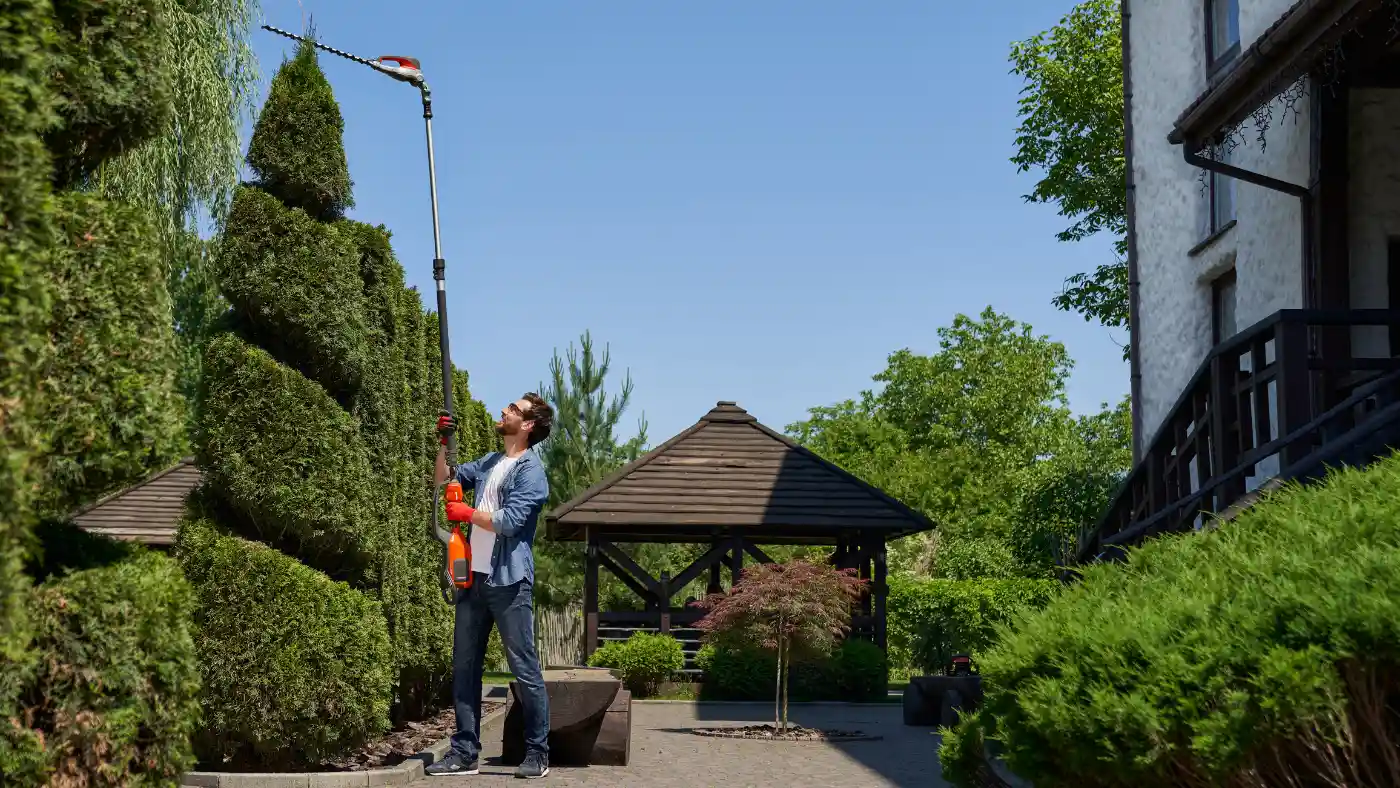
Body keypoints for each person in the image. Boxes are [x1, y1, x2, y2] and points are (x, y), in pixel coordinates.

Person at [426, 393, 554, 779]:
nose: (504, 410)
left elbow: (511, 522)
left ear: (528, 425)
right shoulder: (490, 462)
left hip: (509, 582)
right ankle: (464, 753)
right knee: (465, 668)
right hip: (473, 580)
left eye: (513, 409)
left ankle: (537, 753)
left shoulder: (531, 472)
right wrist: (444, 444)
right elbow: (444, 479)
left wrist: (467, 513)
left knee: (524, 668)